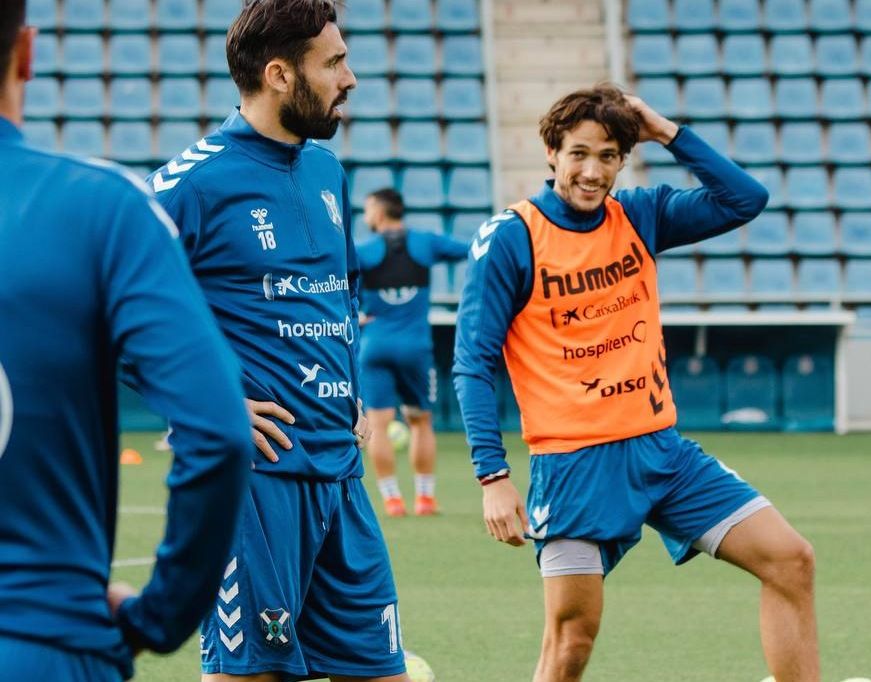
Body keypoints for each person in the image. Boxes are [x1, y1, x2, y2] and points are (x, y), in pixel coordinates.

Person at [454, 84, 820, 682]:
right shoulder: (511, 238)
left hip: (664, 453)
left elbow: (744, 200)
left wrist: (666, 131)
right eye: (577, 154)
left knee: (791, 560)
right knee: (571, 641)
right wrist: (492, 477)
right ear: (551, 152)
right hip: (574, 466)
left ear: (624, 159)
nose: (592, 172)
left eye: (607, 156)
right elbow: (472, 361)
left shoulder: (641, 214)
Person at [147, 1, 408, 680]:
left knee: (382, 672)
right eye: (334, 63)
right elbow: (102, 310)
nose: (349, 78)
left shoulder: (327, 172)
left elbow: (339, 291)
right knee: (251, 675)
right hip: (250, 486)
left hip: (339, 476)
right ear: (279, 75)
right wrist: (203, 408)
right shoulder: (192, 183)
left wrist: (346, 386)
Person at [0, 2, 252, 680]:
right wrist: (159, 619)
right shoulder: (104, 207)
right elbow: (220, 431)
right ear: (27, 52)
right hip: (45, 645)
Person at [357, 188, 469, 517]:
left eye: (367, 211)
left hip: (374, 345)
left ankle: (392, 501)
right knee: (420, 422)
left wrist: (357, 315)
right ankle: (424, 499)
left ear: (378, 213)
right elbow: (473, 249)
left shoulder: (362, 250)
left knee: (377, 423)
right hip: (416, 348)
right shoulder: (426, 243)